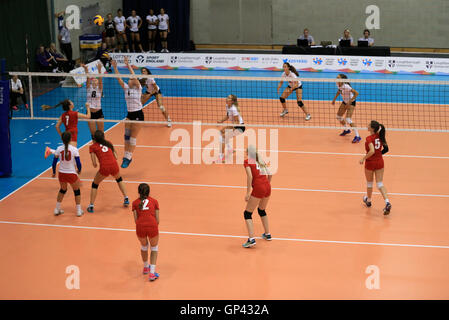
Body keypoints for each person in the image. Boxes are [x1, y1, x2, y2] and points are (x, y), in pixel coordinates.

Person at [111, 57, 143, 168]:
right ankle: (126, 156)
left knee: (133, 138)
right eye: (129, 79)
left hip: (138, 114)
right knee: (126, 137)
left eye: (131, 79)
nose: (129, 79)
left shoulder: (138, 88)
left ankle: (128, 157)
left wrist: (128, 65)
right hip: (129, 114)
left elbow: (134, 76)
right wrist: (115, 68)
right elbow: (119, 79)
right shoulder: (126, 88)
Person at [87, 130, 129, 213]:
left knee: (95, 184)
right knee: (119, 179)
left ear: (94, 138)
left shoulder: (92, 147)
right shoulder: (108, 143)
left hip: (104, 167)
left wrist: (97, 162)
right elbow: (116, 156)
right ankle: (126, 198)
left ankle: (91, 206)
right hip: (114, 165)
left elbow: (94, 163)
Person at [242, 145, 272, 248]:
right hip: (267, 186)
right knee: (261, 210)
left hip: (259, 187)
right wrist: (267, 183)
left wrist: (248, 192)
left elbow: (250, 176)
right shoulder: (261, 160)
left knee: (247, 213)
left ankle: (251, 239)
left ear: (247, 153)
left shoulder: (247, 162)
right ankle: (267, 234)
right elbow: (270, 173)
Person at [359, 121, 392, 215]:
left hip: (370, 163)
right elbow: (385, 149)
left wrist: (363, 158)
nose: (367, 125)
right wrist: (378, 155)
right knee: (380, 184)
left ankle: (368, 200)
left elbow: (372, 151)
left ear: (372, 128)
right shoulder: (380, 136)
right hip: (380, 162)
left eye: (369, 125)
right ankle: (387, 202)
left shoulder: (369, 138)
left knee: (369, 183)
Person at [132, 183, 160, 281]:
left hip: (140, 227)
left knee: (144, 246)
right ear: (149, 192)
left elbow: (135, 220)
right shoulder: (154, 201)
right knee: (154, 248)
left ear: (139, 192)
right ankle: (152, 274)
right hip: (152, 226)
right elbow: (158, 220)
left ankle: (145, 267)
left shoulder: (135, 203)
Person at [52, 131, 83, 217]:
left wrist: (54, 172)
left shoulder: (58, 149)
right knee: (77, 191)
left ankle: (57, 209)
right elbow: (79, 163)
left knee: (63, 190)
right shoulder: (74, 149)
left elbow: (54, 163)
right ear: (70, 139)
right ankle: (78, 210)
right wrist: (79, 170)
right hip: (71, 174)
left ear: (62, 139)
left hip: (61, 173)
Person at [331, 74, 360, 143]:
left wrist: (350, 101)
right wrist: (334, 99)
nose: (336, 78)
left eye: (338, 77)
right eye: (336, 77)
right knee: (338, 116)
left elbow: (356, 93)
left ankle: (357, 136)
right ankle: (346, 129)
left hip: (351, 102)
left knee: (348, 119)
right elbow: (339, 91)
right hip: (345, 101)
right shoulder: (338, 84)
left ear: (342, 79)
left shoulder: (346, 86)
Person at [217, 94, 245, 163]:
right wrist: (221, 120)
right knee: (221, 131)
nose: (226, 99)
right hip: (234, 125)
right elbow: (227, 116)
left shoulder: (234, 109)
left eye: (228, 98)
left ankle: (221, 157)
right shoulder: (227, 106)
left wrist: (230, 131)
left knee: (223, 136)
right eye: (227, 97)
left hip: (239, 127)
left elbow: (237, 122)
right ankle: (230, 149)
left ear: (232, 101)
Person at [82, 62, 104, 138]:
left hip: (98, 112)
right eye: (93, 80)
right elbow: (88, 78)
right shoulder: (89, 88)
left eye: (96, 80)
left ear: (98, 83)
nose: (94, 80)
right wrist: (86, 70)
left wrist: (99, 70)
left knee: (101, 134)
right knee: (93, 135)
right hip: (90, 113)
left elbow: (100, 79)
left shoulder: (100, 88)